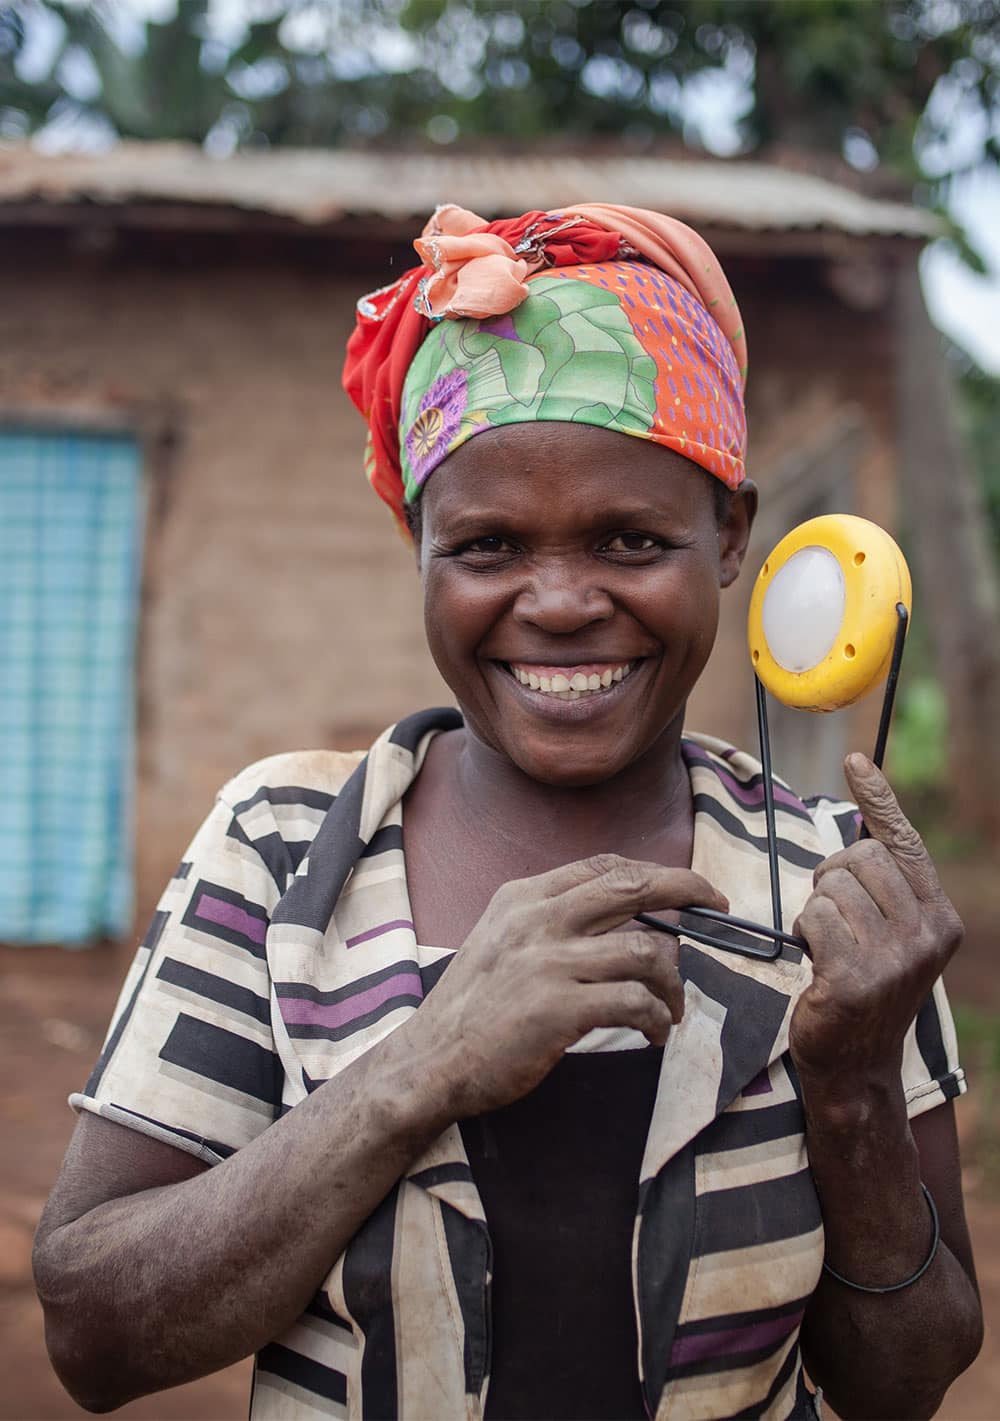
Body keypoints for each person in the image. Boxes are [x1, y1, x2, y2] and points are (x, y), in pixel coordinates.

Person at [33, 203, 982, 1421]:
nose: (560, 601)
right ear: (415, 543)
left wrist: (850, 1086)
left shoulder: (829, 889)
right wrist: (416, 1066)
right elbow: (94, 1332)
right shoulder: (284, 849)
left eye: (629, 537)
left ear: (731, 535)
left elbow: (905, 1380)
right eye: (485, 545)